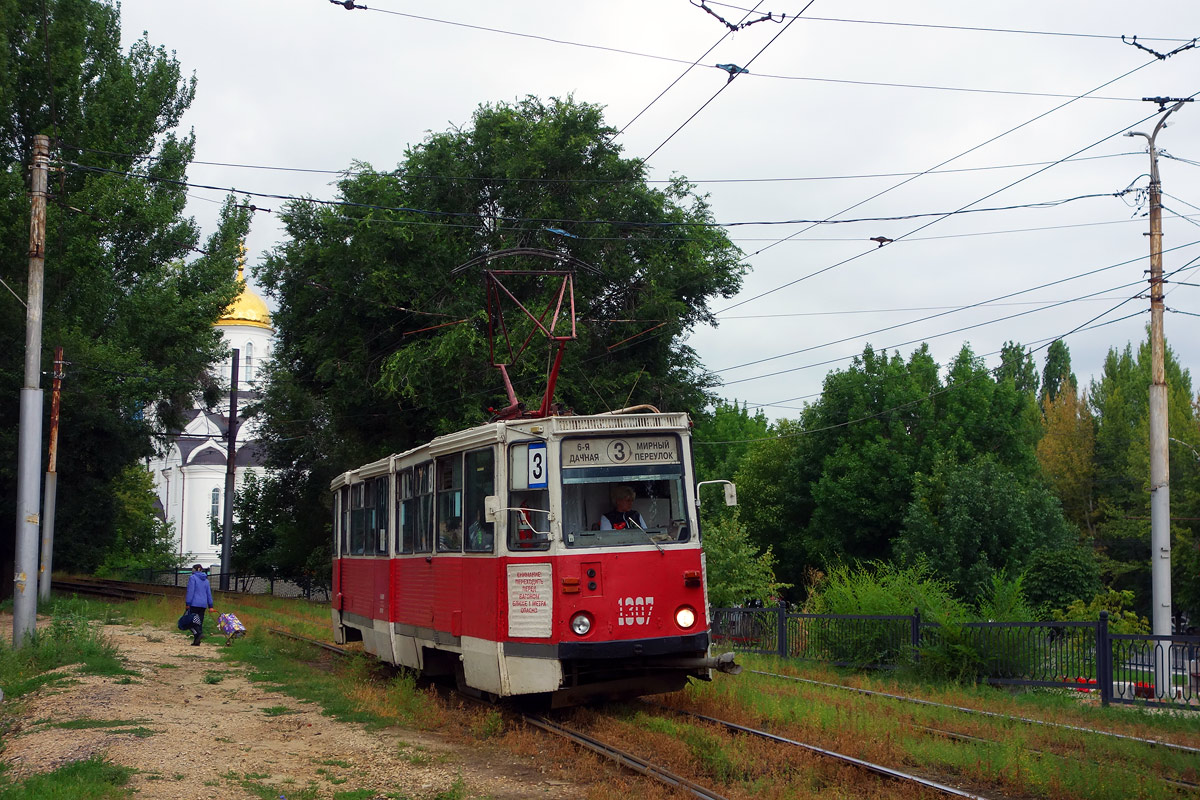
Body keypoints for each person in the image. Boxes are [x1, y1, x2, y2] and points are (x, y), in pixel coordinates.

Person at [184, 564, 215, 646]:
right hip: (203, 605)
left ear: (197, 569)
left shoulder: (192, 578)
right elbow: (209, 594)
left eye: (193, 569)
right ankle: (196, 641)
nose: (192, 570)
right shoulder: (206, 580)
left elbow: (190, 591)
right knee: (199, 622)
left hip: (194, 603)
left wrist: (188, 603)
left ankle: (199, 634)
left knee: (190, 622)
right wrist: (210, 606)